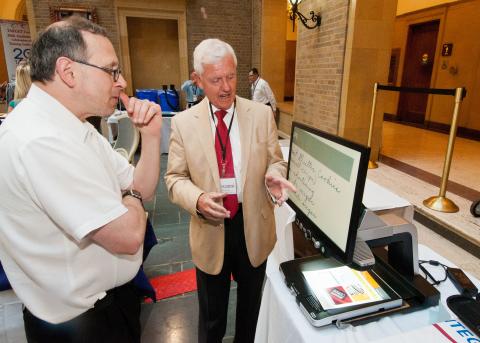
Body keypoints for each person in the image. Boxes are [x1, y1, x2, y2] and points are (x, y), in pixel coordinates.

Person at [0, 16, 162, 343]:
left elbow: (139, 187)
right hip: (80, 327)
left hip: (110, 306)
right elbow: (129, 235)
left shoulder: (77, 127)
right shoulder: (40, 140)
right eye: (112, 70)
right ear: (69, 71)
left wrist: (153, 137)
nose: (122, 81)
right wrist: (131, 197)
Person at [165, 38, 296, 343]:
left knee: (250, 315)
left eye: (231, 76)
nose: (226, 87)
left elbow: (277, 161)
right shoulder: (184, 124)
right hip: (211, 228)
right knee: (212, 322)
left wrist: (274, 175)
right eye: (215, 80)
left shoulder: (261, 115)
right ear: (197, 81)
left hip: (254, 229)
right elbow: (173, 179)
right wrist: (197, 198)